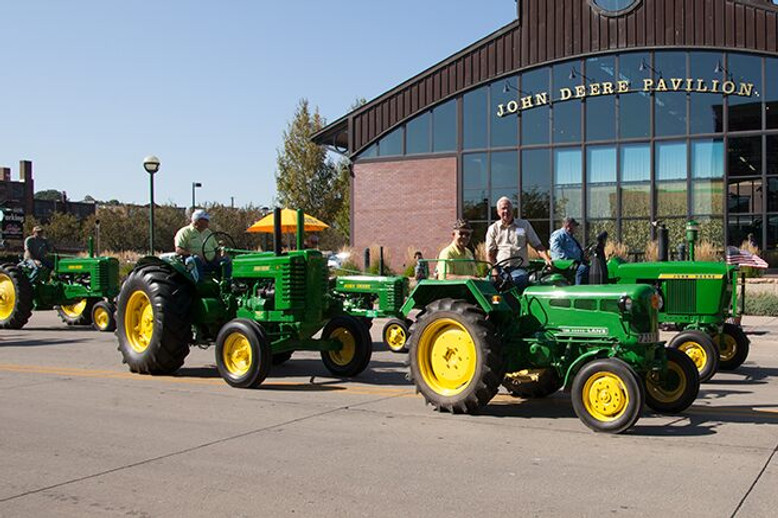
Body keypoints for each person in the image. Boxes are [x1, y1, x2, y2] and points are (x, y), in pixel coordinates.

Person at [485, 196, 552, 291]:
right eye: (503, 208)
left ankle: (517, 305)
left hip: (518, 268)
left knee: (518, 279)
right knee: (486, 284)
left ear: (513, 210)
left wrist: (547, 259)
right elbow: (489, 255)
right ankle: (494, 304)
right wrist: (494, 271)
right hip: (500, 268)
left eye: (508, 208)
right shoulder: (493, 228)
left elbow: (537, 245)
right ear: (498, 212)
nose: (506, 211)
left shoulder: (524, 225)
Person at [174, 209, 228, 281]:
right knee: (195, 259)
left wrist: (220, 256)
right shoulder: (184, 232)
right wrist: (193, 255)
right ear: (197, 221)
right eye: (205, 220)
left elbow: (216, 248)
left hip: (210, 261)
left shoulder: (208, 232)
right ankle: (200, 284)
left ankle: (228, 283)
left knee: (226, 261)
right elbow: (179, 250)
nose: (207, 222)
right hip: (192, 262)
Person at [549, 216, 589, 285]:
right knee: (582, 269)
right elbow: (555, 247)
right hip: (564, 264)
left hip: (574, 262)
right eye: (574, 226)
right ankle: (578, 289)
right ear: (569, 225)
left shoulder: (570, 236)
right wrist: (567, 259)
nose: (576, 228)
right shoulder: (559, 234)